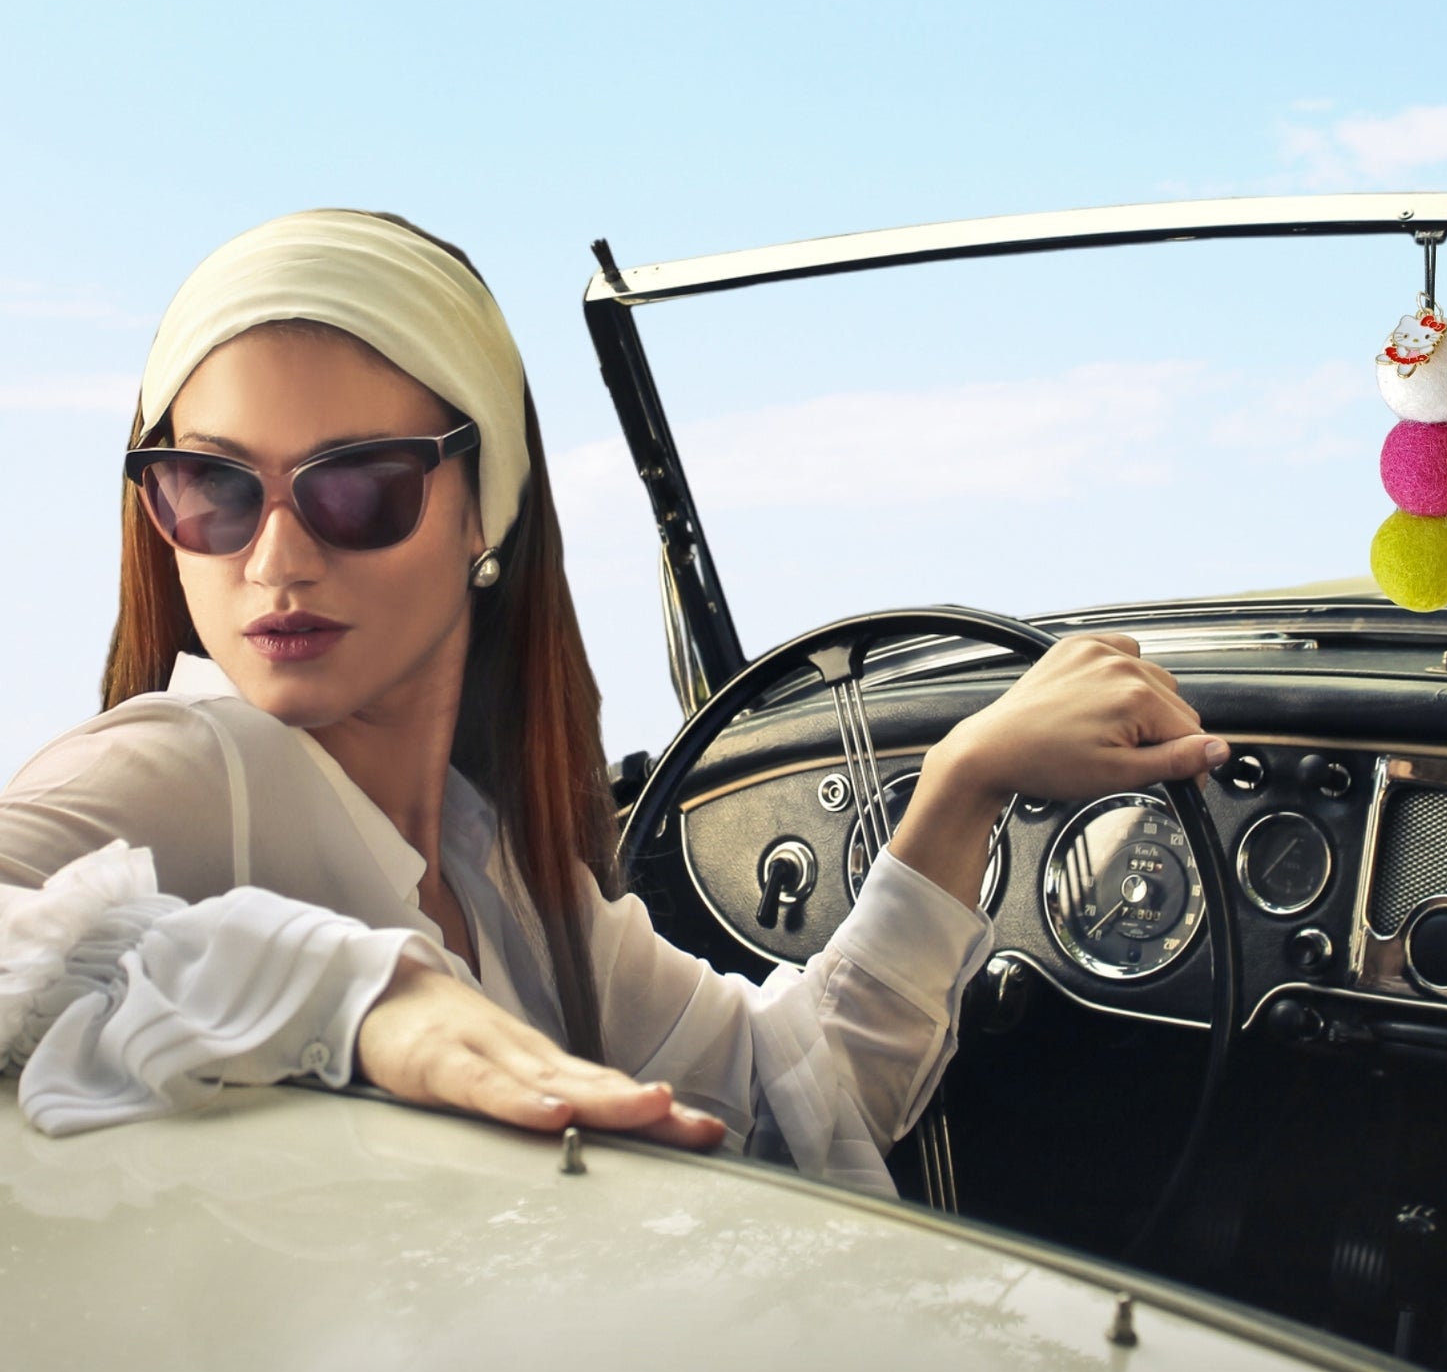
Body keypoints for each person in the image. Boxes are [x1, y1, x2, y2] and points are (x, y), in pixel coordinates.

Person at [0, 210, 1228, 1193]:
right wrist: (347, 990)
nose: (271, 560)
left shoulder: (506, 877)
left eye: (358, 487)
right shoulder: (187, 760)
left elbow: (799, 1095)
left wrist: (964, 783)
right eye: (208, 488)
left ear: (487, 508)